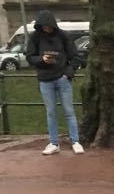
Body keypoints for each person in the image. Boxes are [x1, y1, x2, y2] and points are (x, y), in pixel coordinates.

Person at [25, 10, 83, 155]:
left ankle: (75, 140)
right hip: (45, 80)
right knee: (51, 112)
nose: (47, 29)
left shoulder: (63, 36)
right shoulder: (35, 38)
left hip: (62, 78)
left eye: (49, 26)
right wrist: (41, 60)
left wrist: (68, 73)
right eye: (44, 26)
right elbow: (30, 57)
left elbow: (75, 57)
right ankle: (53, 142)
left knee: (69, 111)